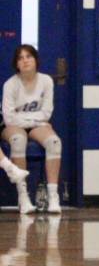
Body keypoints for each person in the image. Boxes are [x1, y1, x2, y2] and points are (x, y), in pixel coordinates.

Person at [2, 45, 62, 213]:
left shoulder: (46, 81)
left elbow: (47, 112)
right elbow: (9, 118)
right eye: (21, 58)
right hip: (14, 127)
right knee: (18, 140)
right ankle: (23, 196)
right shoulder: (10, 84)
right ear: (16, 64)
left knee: (54, 142)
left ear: (36, 60)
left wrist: (32, 121)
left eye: (29, 56)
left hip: (37, 124)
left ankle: (53, 196)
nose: (25, 60)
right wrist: (32, 121)